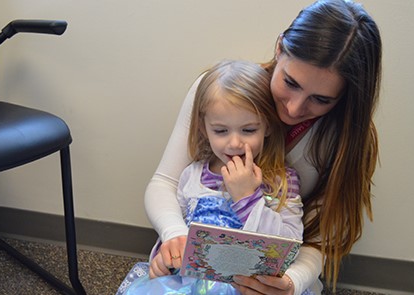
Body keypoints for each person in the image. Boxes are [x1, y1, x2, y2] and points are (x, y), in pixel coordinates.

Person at [144, 0, 382, 294]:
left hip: (276, 273)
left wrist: (292, 283)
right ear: (279, 48)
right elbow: (165, 183)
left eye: (321, 99)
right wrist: (174, 236)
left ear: (345, 97)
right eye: (290, 82)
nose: (294, 109)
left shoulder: (346, 137)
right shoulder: (221, 91)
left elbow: (319, 238)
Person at [116, 59, 304, 295]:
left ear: (267, 127)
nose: (235, 143)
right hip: (190, 286)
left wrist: (249, 198)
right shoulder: (192, 175)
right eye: (221, 131)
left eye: (248, 130)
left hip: (248, 289)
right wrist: (163, 259)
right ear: (204, 128)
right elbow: (176, 235)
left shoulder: (281, 181)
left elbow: (290, 246)